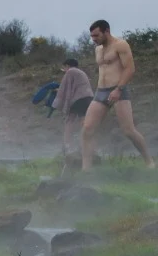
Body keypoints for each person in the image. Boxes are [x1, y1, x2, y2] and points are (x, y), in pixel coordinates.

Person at [81, 20, 155, 170]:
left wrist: (118, 89)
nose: (93, 39)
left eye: (96, 35)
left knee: (128, 130)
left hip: (118, 90)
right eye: (92, 36)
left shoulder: (120, 45)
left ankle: (150, 162)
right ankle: (86, 170)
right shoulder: (98, 49)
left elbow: (130, 69)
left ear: (106, 31)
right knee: (87, 129)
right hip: (100, 91)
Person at [54, 58, 94, 158]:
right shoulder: (80, 72)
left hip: (79, 98)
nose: (64, 70)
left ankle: (67, 145)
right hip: (88, 97)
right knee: (83, 121)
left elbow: (64, 87)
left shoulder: (71, 71)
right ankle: (85, 144)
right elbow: (73, 86)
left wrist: (57, 96)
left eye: (64, 67)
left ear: (67, 66)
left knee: (69, 120)